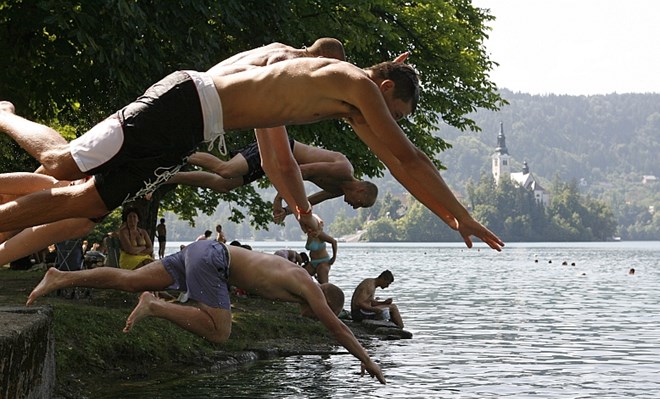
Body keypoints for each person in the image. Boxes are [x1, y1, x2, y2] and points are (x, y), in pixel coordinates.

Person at [0, 46, 504, 252]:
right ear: (386, 89)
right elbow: (408, 158)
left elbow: (283, 162)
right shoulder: (354, 84)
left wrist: (304, 210)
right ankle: (4, 114)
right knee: (60, 164)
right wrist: (459, 216)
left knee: (87, 202)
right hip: (183, 105)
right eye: (394, 115)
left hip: (188, 124)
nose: (385, 125)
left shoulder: (312, 89)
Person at [26, 239, 385, 384]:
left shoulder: (297, 278)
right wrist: (366, 359)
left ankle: (60, 276)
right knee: (220, 331)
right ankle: (155, 305)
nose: (311, 316)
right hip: (215, 260)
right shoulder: (310, 287)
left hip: (204, 251)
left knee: (130, 279)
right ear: (321, 300)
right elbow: (338, 328)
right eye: (316, 312)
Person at [168, 139, 379, 217]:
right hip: (279, 148)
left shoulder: (337, 190)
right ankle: (180, 154)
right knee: (226, 170)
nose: (354, 207)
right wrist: (279, 198)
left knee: (223, 185)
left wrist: (287, 212)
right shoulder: (343, 169)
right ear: (360, 190)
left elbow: (313, 200)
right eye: (360, 204)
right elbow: (299, 171)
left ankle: (169, 177)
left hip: (280, 164)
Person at [304, 215, 337, 284]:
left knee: (324, 285)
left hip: (323, 262)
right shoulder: (309, 234)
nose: (309, 229)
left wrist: (334, 258)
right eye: (308, 227)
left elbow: (334, 242)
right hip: (313, 263)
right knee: (300, 276)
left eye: (310, 227)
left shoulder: (320, 234)